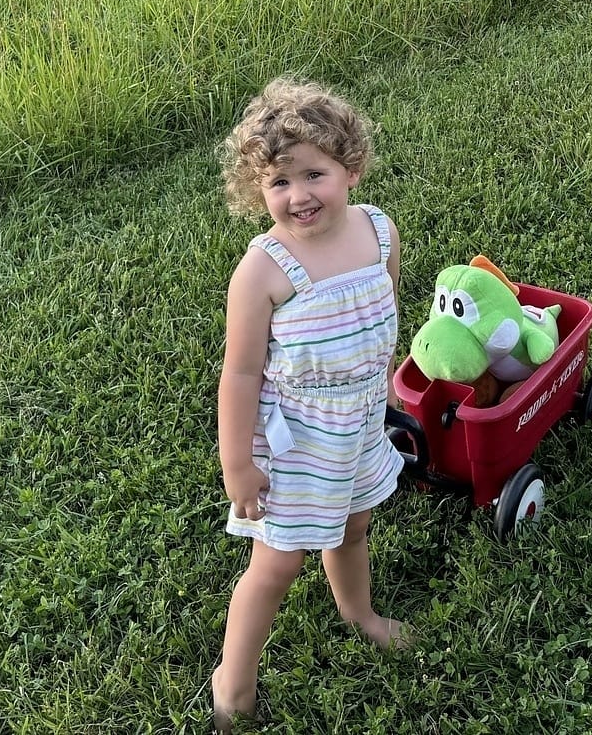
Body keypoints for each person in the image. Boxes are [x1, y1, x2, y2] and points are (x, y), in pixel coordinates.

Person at [210, 77, 409, 727]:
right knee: (277, 563)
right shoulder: (264, 270)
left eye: (313, 174)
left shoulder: (379, 234)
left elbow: (381, 313)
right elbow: (239, 374)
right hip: (296, 439)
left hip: (356, 426)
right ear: (256, 191)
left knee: (354, 527)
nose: (298, 196)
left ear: (351, 168)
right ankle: (232, 681)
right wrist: (237, 464)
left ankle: (358, 611)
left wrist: (383, 377)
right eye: (278, 182)